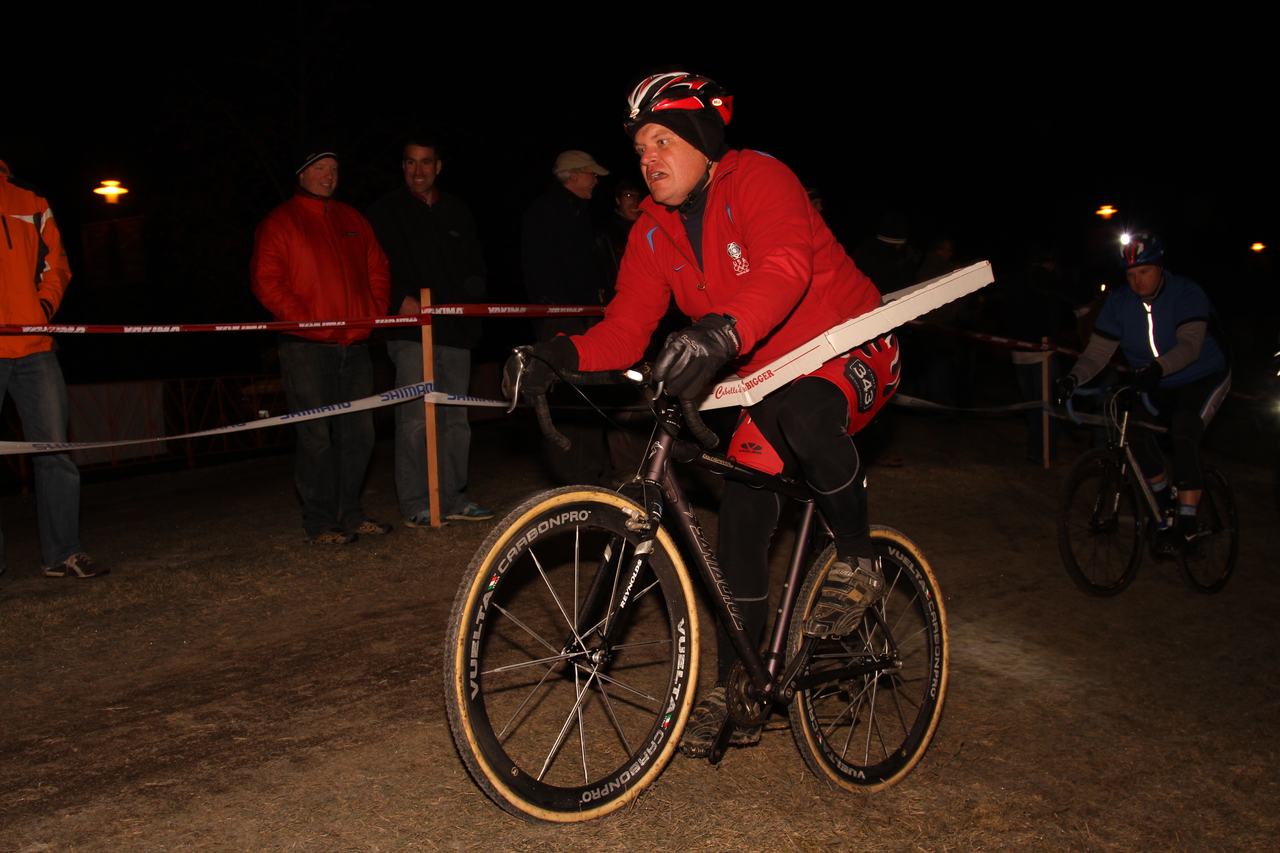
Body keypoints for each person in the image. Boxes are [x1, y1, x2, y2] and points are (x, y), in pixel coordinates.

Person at [505, 72, 900, 756]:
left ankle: (858, 557)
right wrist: (558, 354)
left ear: (702, 140)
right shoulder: (653, 231)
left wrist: (719, 332)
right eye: (639, 149)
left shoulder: (760, 178)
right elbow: (626, 328)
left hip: (852, 344)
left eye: (663, 140)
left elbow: (784, 265)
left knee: (806, 414)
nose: (648, 158)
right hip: (765, 378)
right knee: (742, 519)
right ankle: (739, 686)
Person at [251, 150, 392, 545]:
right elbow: (267, 280)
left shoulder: (352, 219)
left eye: (333, 169)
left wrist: (373, 313)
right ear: (301, 173)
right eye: (319, 168)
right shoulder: (280, 222)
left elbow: (378, 267)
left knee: (359, 434)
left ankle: (352, 512)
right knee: (316, 436)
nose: (328, 176)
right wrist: (307, 322)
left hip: (356, 345)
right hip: (305, 347)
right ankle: (319, 520)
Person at [1055, 231, 1231, 539]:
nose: (1137, 281)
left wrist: (1157, 368)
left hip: (1202, 376)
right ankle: (1163, 504)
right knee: (1132, 431)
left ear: (1160, 267)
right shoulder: (1119, 303)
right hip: (1156, 379)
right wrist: (1073, 378)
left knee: (1183, 428)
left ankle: (1188, 521)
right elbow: (1097, 352)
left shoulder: (1186, 293)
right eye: (1131, 274)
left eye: (1145, 272)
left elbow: (1190, 346)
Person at [367, 135, 493, 525]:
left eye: (425, 163)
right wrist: (397, 299)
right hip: (409, 331)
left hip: (455, 331)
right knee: (416, 419)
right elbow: (373, 268)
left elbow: (475, 267)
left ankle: (454, 496)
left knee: (455, 417)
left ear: (438, 167)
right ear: (402, 166)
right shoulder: (385, 211)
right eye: (410, 163)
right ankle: (417, 502)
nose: (417, 170)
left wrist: (472, 306)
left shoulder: (456, 210)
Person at [0, 159, 106, 578]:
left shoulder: (29, 195)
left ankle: (63, 552)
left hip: (35, 346)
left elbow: (56, 263)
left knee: (55, 452)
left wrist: (41, 309)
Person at [520, 150, 614, 486]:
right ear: (573, 175)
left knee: (589, 395)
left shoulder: (579, 213)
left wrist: (595, 296)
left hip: (584, 320)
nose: (596, 180)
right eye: (592, 174)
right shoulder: (547, 212)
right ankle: (574, 477)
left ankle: (592, 474)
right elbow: (542, 270)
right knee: (566, 399)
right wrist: (561, 315)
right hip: (562, 322)